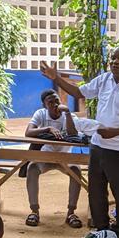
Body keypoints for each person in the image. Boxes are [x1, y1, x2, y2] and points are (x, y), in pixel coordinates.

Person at [41, 47, 119, 238]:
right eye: (113, 58)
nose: (115, 62)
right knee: (96, 192)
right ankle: (102, 231)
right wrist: (56, 77)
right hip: (98, 146)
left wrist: (114, 133)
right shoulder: (104, 79)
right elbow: (78, 92)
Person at [23, 89, 93, 229]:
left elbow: (73, 133)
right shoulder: (41, 114)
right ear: (45, 105)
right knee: (32, 167)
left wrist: (66, 113)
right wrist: (48, 128)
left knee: (75, 170)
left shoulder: (69, 115)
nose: (55, 105)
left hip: (65, 157)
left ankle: (71, 212)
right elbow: (28, 132)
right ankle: (34, 211)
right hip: (46, 157)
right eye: (50, 102)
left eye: (57, 101)